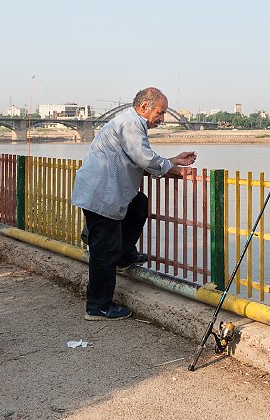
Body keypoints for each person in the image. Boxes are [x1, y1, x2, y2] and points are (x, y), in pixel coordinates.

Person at [72, 87, 196, 321]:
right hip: (102, 194)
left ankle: (123, 255)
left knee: (138, 205)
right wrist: (176, 170)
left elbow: (139, 158)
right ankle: (98, 306)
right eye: (160, 112)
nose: (162, 118)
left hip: (106, 191)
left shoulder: (130, 122)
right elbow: (145, 158)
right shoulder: (131, 123)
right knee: (104, 250)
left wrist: (171, 161)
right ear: (144, 107)